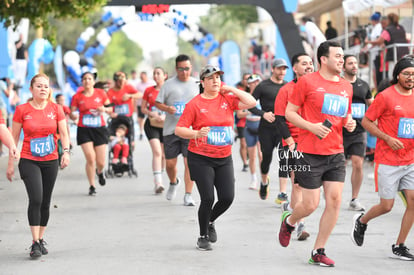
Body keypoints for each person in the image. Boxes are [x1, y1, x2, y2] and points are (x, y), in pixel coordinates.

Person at [278, 41, 356, 267]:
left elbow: (345, 115)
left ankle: (318, 251)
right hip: (308, 153)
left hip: (335, 153)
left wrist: (349, 123)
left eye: (343, 56)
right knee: (310, 205)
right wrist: (311, 127)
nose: (342, 60)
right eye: (338, 56)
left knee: (334, 201)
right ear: (323, 58)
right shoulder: (307, 82)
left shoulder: (346, 86)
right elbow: (289, 114)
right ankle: (290, 220)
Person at [175, 65, 256, 250]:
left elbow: (251, 103)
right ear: (202, 82)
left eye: (218, 77)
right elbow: (179, 129)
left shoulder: (227, 98)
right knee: (208, 198)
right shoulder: (194, 104)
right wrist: (196, 133)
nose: (215, 81)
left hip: (224, 157)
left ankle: (210, 220)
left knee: (227, 197)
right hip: (200, 157)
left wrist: (233, 89)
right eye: (210, 78)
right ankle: (202, 236)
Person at [351, 56, 414, 260]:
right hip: (388, 159)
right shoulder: (385, 96)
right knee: (387, 206)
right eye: (407, 74)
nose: (411, 77)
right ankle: (362, 221)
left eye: (413, 74)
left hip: (410, 159)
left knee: (413, 203)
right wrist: (387, 138)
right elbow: (367, 121)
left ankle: (400, 245)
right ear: (398, 75)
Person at [6, 73, 70, 258]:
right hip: (29, 159)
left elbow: (64, 133)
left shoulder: (56, 109)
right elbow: (14, 138)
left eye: (46, 86)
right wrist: (11, 164)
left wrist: (65, 152)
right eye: (39, 86)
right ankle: (34, 242)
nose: (43, 89)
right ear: (32, 89)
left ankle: (41, 239)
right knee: (36, 198)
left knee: (46, 201)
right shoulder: (22, 110)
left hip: (50, 160)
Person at [274, 53, 314, 241]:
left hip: (314, 143)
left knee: (309, 187)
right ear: (295, 69)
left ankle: (290, 209)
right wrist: (289, 141)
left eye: (311, 63)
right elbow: (280, 119)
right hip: (294, 143)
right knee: (298, 184)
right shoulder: (286, 90)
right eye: (304, 63)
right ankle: (299, 225)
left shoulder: (318, 89)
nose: (309, 66)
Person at [154, 54, 198, 206]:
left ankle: (188, 195)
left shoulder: (197, 84)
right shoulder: (168, 85)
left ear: (191, 68)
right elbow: (158, 103)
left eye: (187, 69)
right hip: (171, 130)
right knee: (170, 164)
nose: (184, 72)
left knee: (189, 163)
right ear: (176, 69)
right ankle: (174, 182)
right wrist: (167, 108)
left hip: (190, 131)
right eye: (181, 69)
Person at [249, 58, 287, 202]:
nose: (282, 72)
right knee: (266, 159)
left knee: (285, 158)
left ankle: (282, 193)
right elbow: (250, 104)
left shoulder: (288, 86)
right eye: (279, 69)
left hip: (283, 128)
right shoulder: (263, 86)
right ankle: (264, 182)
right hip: (266, 129)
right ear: (273, 69)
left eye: (284, 69)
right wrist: (263, 114)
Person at [70, 72, 112, 195]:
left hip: (99, 129)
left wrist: (103, 109)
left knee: (101, 162)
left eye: (89, 79)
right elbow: (72, 113)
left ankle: (100, 171)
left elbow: (110, 109)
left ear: (93, 82)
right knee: (90, 158)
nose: (87, 81)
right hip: (84, 129)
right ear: (82, 82)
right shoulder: (77, 97)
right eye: (84, 79)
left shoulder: (101, 94)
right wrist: (73, 116)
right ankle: (92, 186)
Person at [342, 55, 373, 211]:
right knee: (338, 165)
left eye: (355, 62)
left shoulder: (363, 85)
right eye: (350, 63)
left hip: (359, 131)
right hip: (339, 131)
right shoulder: (338, 84)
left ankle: (354, 198)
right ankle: (333, 193)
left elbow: (372, 106)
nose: (354, 65)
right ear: (344, 67)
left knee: (358, 164)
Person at [141, 67, 167, 194]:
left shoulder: (169, 90)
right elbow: (143, 108)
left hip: (166, 125)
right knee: (157, 152)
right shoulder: (148, 90)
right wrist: (152, 113)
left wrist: (165, 116)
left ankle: (160, 176)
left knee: (163, 155)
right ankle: (158, 183)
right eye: (154, 74)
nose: (156, 76)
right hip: (151, 124)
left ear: (165, 76)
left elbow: (175, 107)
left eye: (159, 73)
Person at [238, 74, 262, 189]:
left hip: (261, 128)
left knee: (261, 155)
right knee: (252, 156)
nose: (256, 84)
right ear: (249, 84)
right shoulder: (245, 97)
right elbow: (239, 114)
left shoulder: (263, 96)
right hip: (249, 128)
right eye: (254, 82)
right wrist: (251, 111)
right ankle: (253, 179)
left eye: (258, 82)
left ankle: (263, 178)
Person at [366, 13, 408, 79]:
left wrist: (367, 41)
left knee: (392, 75)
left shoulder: (388, 30)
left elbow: (379, 41)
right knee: (403, 73)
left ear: (388, 20)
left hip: (394, 55)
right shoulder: (401, 27)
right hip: (404, 54)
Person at [107, 71, 142, 148]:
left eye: (123, 81)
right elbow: (107, 105)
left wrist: (130, 95)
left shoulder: (128, 87)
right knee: (113, 133)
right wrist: (110, 113)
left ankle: (131, 143)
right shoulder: (110, 92)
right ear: (115, 81)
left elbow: (140, 94)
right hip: (116, 118)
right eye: (119, 81)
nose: (122, 83)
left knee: (129, 134)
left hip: (127, 118)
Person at [235, 73, 250, 172]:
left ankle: (248, 156)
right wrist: (250, 111)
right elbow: (239, 114)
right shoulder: (239, 92)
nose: (248, 81)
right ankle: (245, 163)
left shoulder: (255, 91)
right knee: (243, 144)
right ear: (242, 80)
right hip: (241, 123)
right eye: (246, 79)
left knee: (250, 145)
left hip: (253, 123)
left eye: (250, 79)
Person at [136, 71, 156, 140]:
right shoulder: (138, 85)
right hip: (140, 103)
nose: (142, 78)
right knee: (140, 118)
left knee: (151, 117)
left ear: (146, 76)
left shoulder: (151, 83)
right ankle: (141, 132)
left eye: (143, 76)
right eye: (140, 77)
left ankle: (154, 129)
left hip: (149, 104)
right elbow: (136, 94)